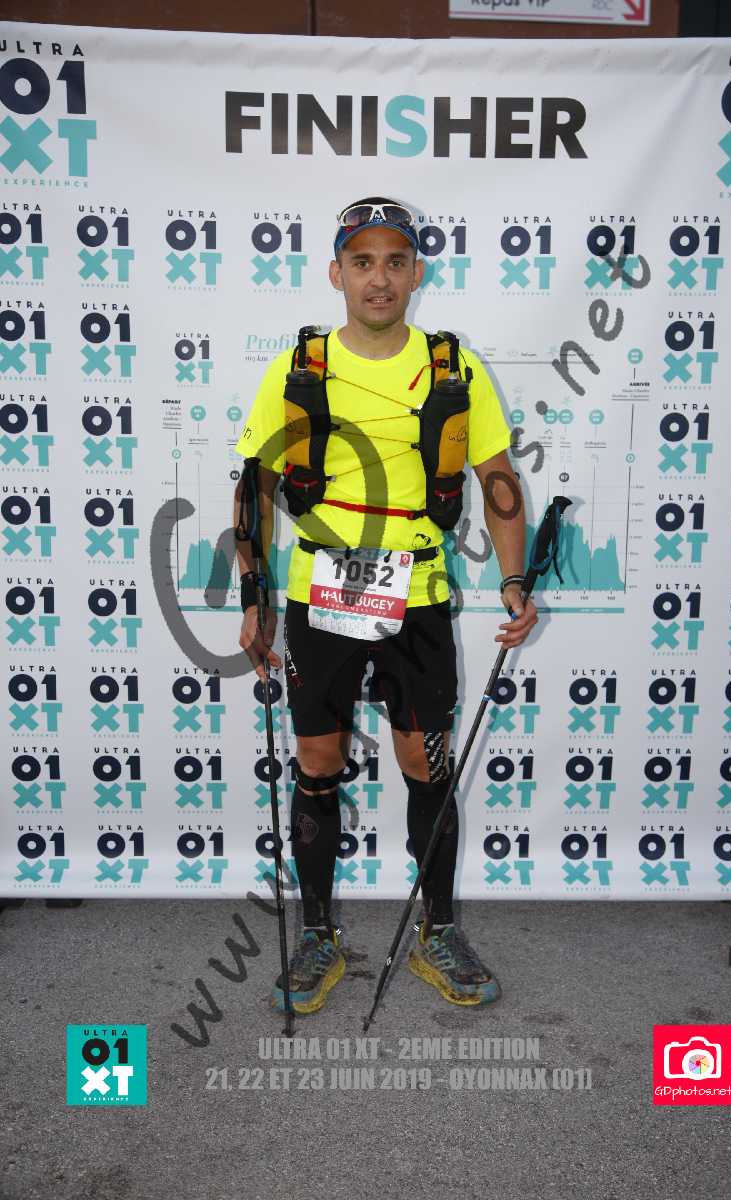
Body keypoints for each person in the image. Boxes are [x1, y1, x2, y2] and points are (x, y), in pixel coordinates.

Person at [233, 197, 538, 1015]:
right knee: (317, 762)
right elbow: (255, 485)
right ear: (336, 273)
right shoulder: (297, 368)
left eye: (395, 262)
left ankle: (440, 931)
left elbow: (497, 479)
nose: (379, 278)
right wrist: (255, 596)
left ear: (416, 273)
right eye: (362, 262)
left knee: (424, 763)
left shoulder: (452, 369)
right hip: (318, 597)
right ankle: (318, 936)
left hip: (419, 597)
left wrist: (514, 581)